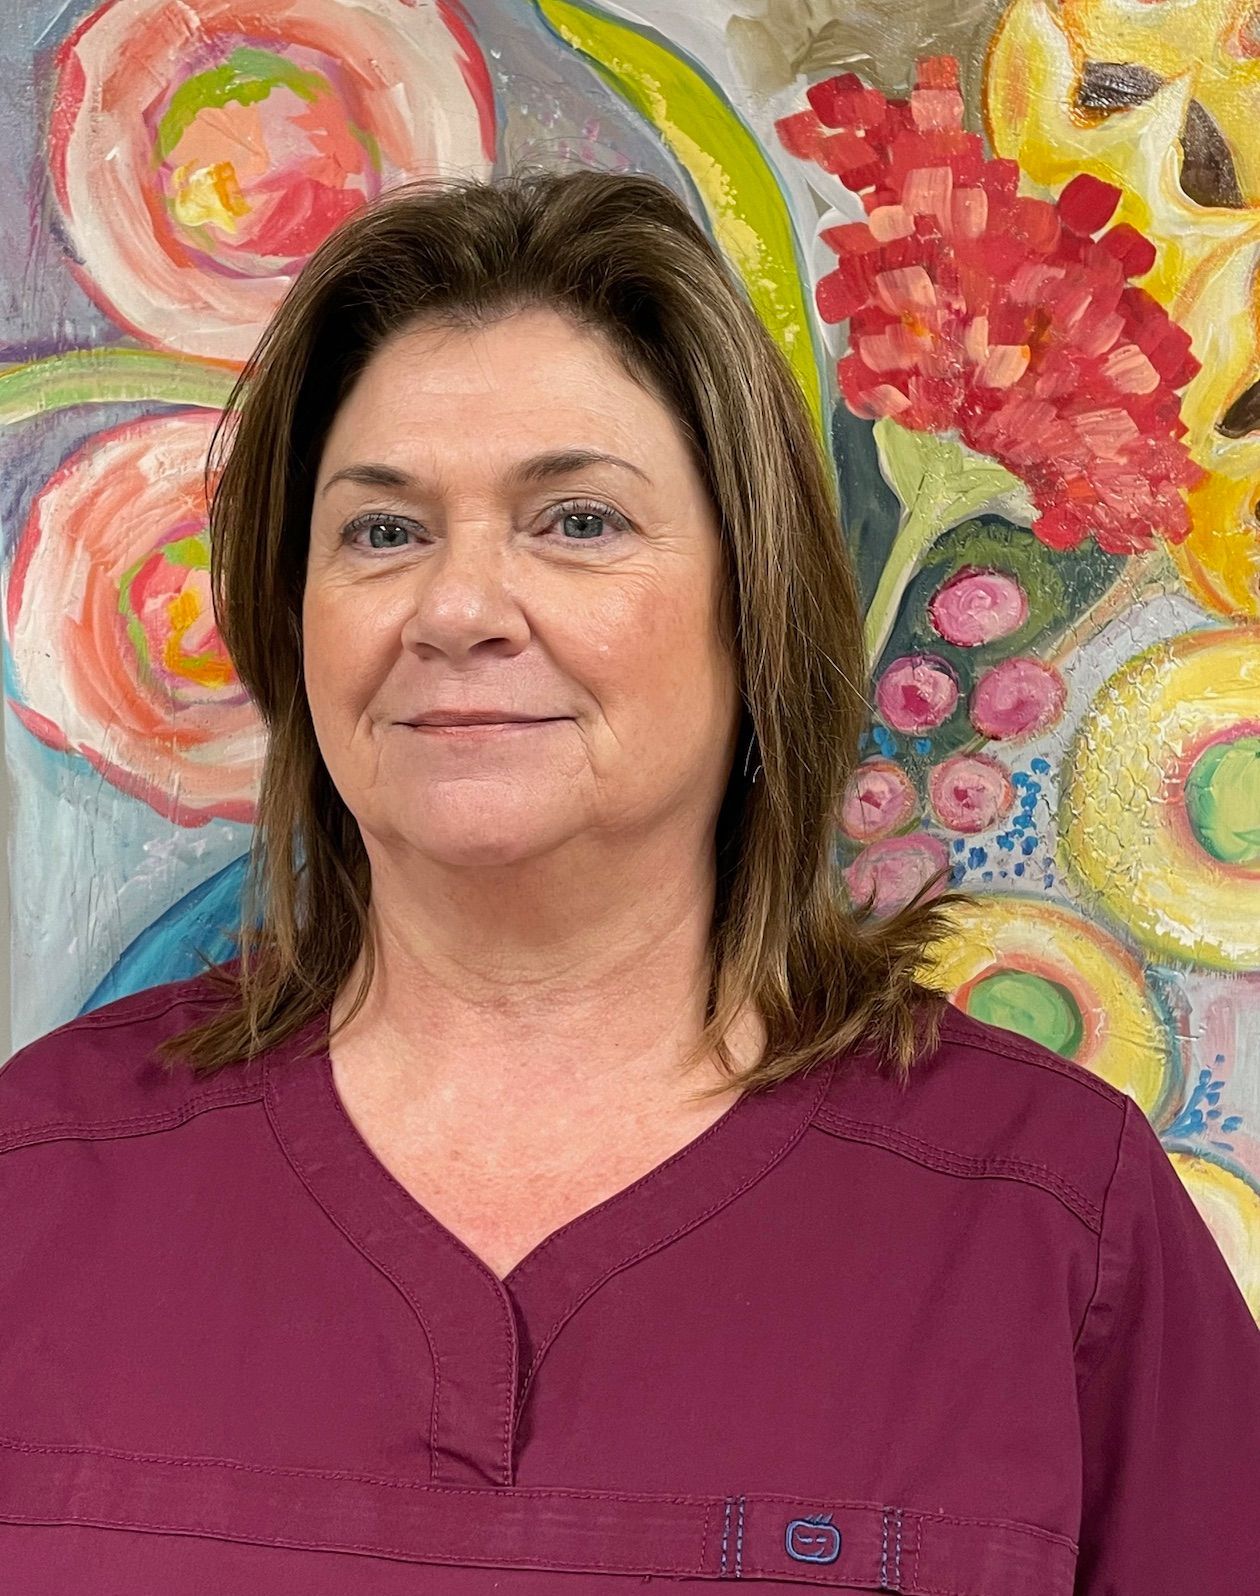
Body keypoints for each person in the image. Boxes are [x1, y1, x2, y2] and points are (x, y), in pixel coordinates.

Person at [1, 168, 1257, 1595]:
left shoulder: (1053, 1225)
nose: (459, 608)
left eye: (579, 521)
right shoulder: (36, 1181)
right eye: (383, 531)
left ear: (754, 605)